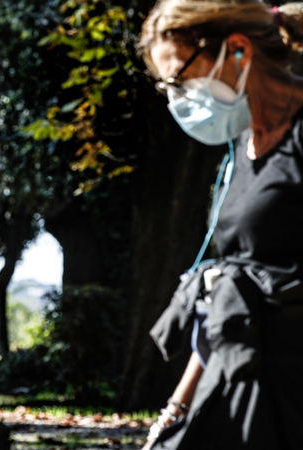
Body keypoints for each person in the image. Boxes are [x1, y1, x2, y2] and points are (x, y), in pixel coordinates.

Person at [139, 1, 303, 449]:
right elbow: (229, 300)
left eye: (179, 79)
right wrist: (174, 411)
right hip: (236, 383)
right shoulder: (241, 147)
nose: (177, 98)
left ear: (237, 50)